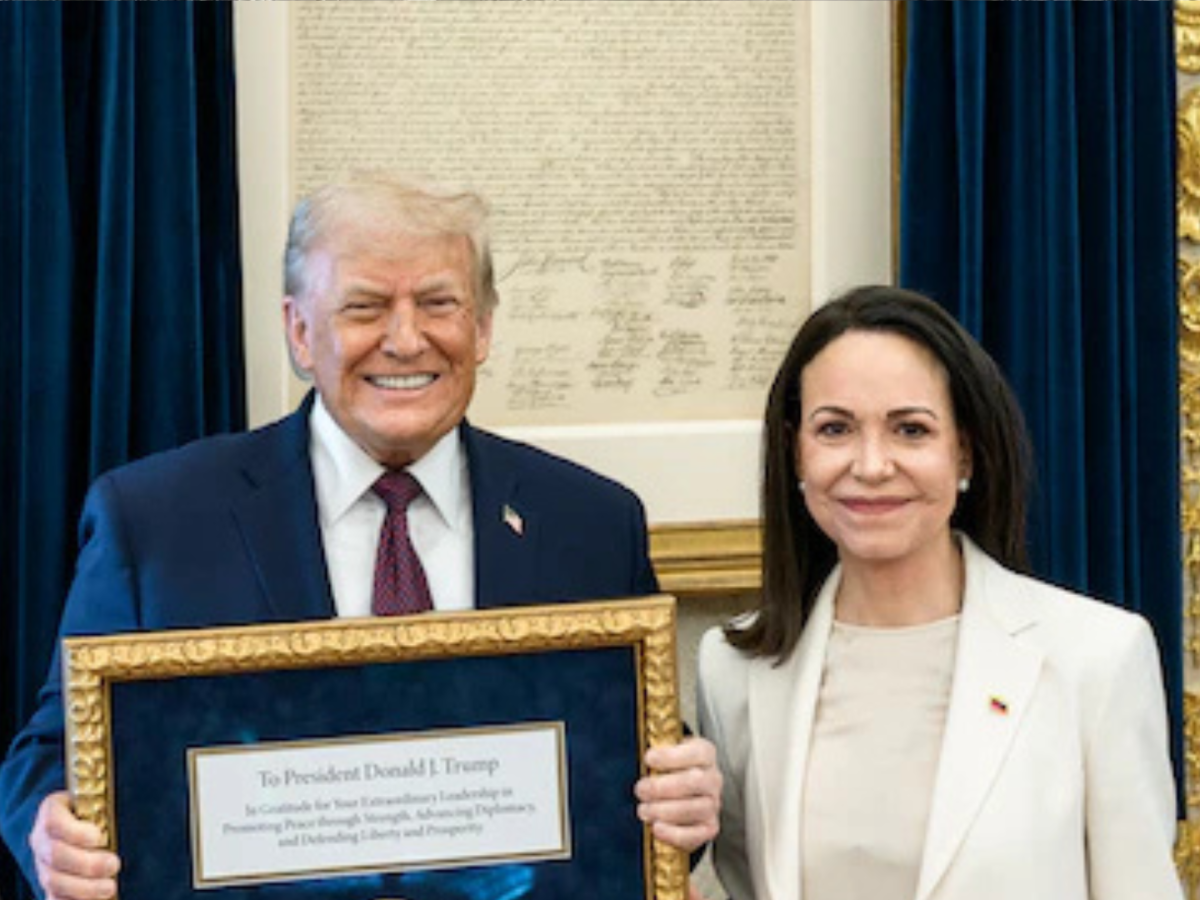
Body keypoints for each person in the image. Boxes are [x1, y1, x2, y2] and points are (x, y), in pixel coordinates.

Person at [0, 173, 720, 900]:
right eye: (365, 307)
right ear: (300, 331)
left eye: (438, 303)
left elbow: (631, 766)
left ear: (484, 326)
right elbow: (55, 749)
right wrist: (49, 834)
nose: (406, 340)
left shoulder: (590, 522)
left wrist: (685, 799)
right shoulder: (155, 521)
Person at [698, 285, 1183, 900]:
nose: (871, 465)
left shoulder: (1097, 657)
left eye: (910, 430)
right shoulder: (733, 669)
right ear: (796, 451)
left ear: (966, 453)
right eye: (835, 429)